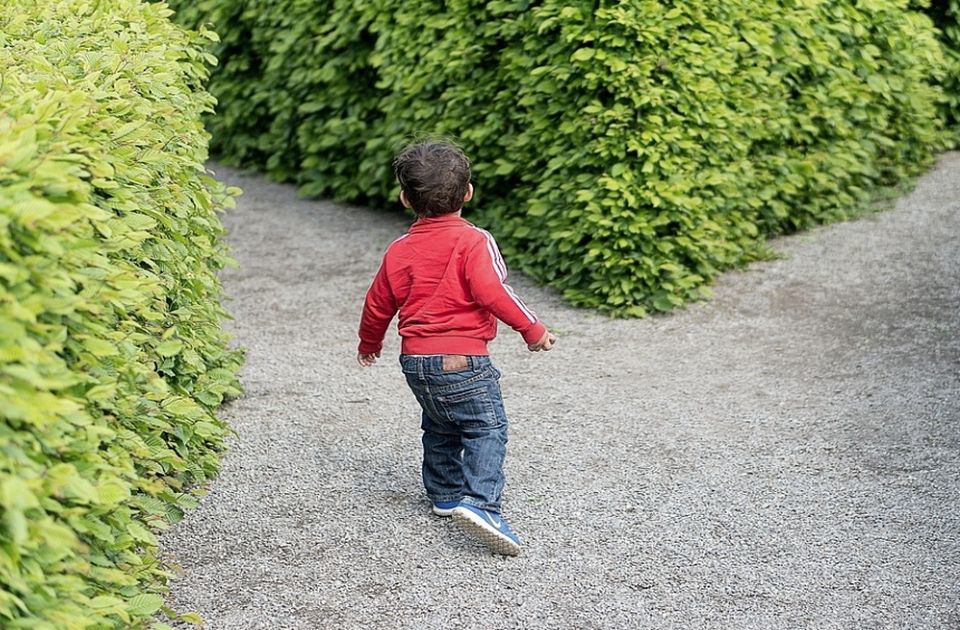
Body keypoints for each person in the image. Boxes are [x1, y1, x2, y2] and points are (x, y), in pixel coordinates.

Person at [356, 141, 556, 556]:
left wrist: (369, 343)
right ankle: (482, 504)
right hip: (463, 358)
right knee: (486, 427)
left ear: (405, 198)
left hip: (415, 360)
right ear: (468, 193)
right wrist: (532, 329)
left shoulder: (398, 250)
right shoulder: (474, 241)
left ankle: (445, 494)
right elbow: (494, 292)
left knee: (440, 422)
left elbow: (377, 303)